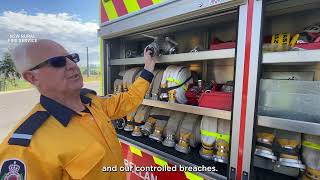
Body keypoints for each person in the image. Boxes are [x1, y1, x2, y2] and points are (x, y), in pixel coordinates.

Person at [0, 39, 156, 179]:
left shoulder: (93, 103)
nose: (73, 65)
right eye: (58, 62)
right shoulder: (25, 149)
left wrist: (148, 68)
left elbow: (127, 100)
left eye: (72, 58)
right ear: (32, 77)